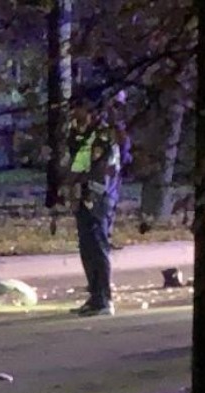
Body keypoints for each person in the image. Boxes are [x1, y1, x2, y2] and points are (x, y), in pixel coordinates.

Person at [69, 98, 123, 316]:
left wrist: (82, 187)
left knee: (98, 248)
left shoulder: (102, 135)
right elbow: (77, 165)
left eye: (77, 108)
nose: (73, 113)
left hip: (98, 198)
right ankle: (94, 296)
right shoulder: (82, 135)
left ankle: (104, 299)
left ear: (88, 109)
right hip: (84, 196)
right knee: (87, 248)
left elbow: (100, 169)